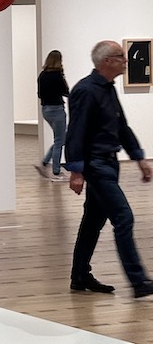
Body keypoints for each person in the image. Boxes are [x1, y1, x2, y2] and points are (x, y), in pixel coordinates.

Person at [65, 40, 153, 299]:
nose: (126, 61)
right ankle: (139, 281)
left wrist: (139, 158)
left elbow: (121, 127)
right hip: (96, 165)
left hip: (109, 163)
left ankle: (80, 276)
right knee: (123, 217)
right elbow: (75, 131)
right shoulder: (85, 90)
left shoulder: (107, 88)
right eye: (120, 56)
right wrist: (76, 170)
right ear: (106, 61)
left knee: (93, 221)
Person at [35, 50, 69, 181]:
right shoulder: (57, 76)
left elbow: (40, 94)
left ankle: (44, 163)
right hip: (57, 110)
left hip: (46, 110)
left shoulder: (42, 75)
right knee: (60, 141)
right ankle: (56, 171)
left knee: (59, 140)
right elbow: (66, 91)